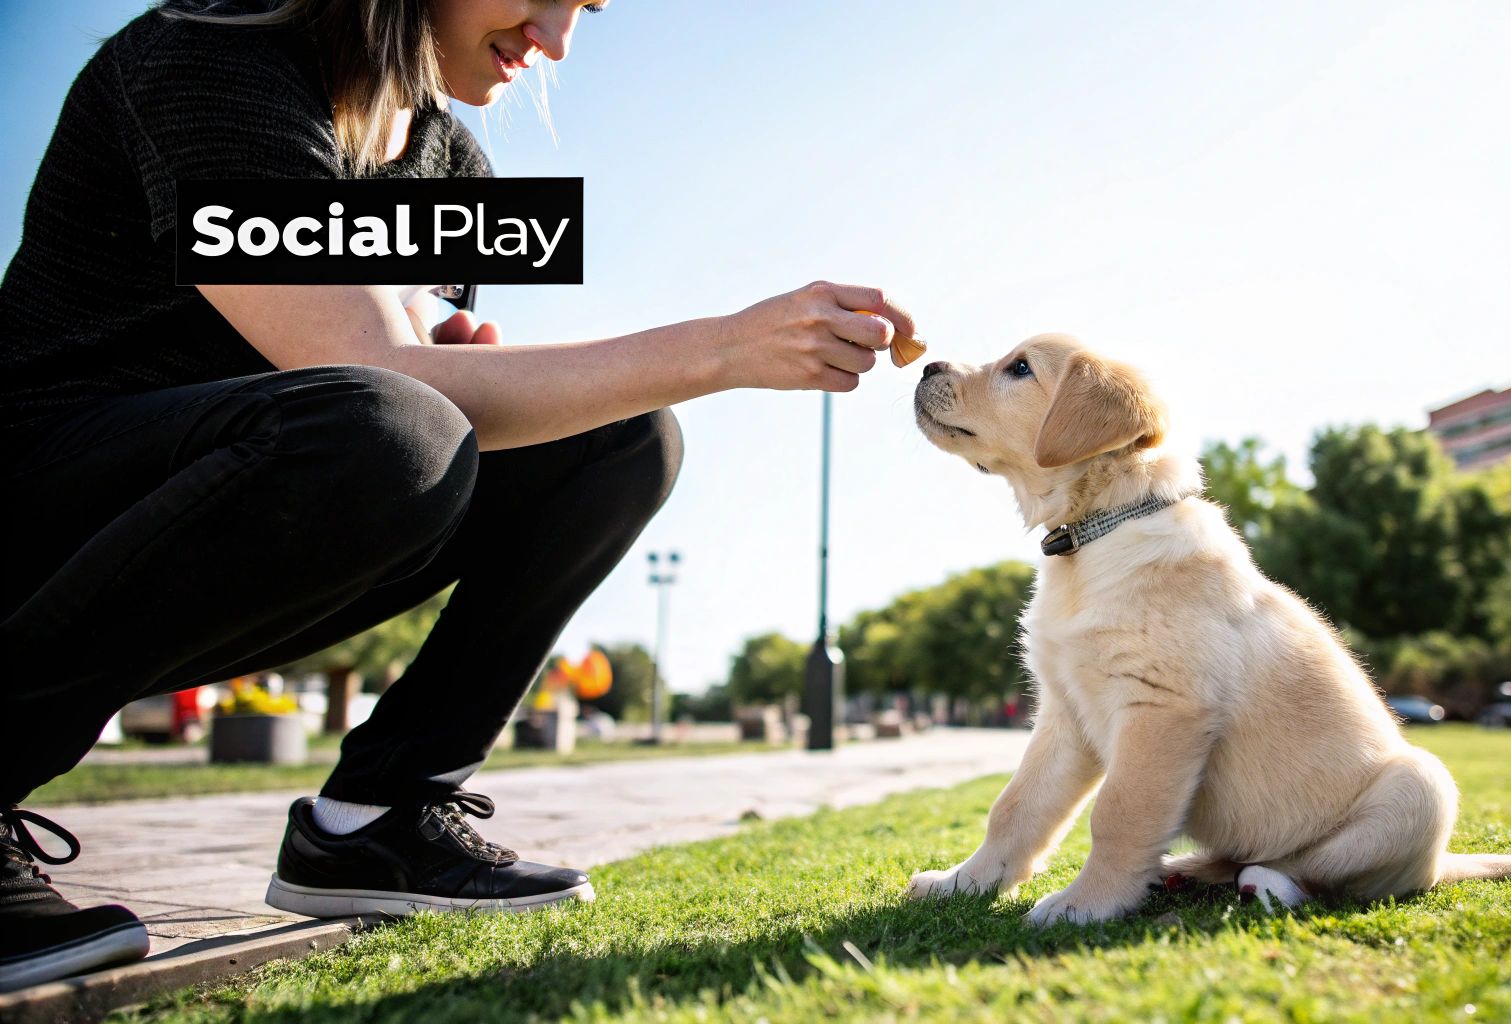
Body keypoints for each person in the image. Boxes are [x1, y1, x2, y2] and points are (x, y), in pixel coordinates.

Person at [0, 0, 915, 991]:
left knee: (615, 438)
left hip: (226, 520)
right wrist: (728, 346)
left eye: (587, 9)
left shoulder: (447, 164)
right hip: (37, 510)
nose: (556, 40)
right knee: (384, 425)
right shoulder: (212, 58)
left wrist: (445, 356)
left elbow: (408, 366)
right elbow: (365, 373)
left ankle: (377, 818)